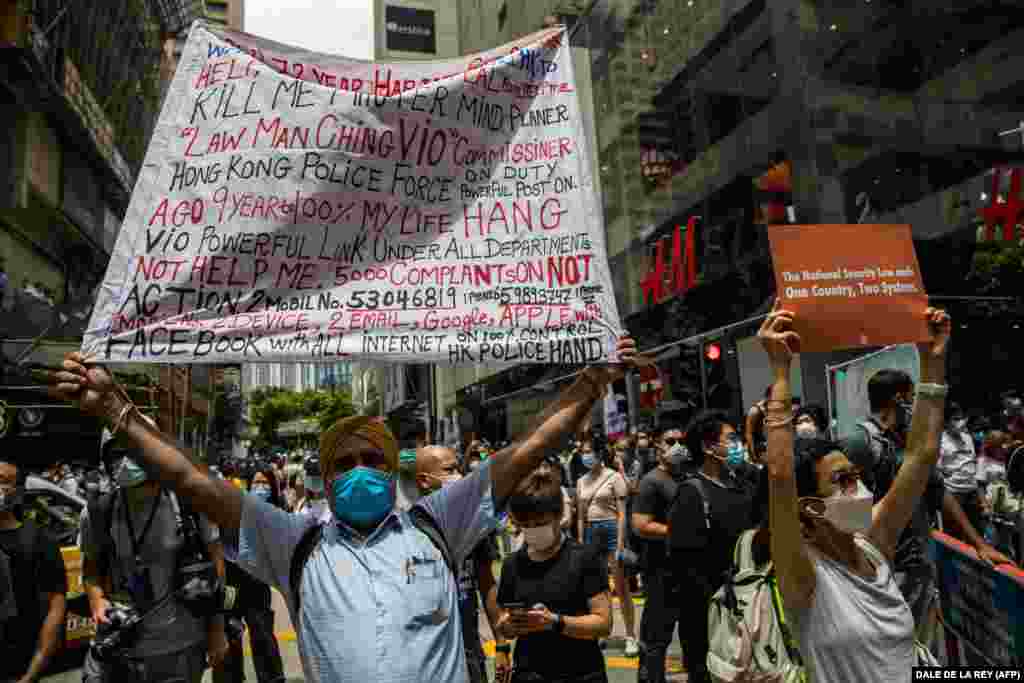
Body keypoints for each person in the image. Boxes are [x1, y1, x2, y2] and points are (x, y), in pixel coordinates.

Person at [49, 338, 638, 683]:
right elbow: (190, 479)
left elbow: (530, 447)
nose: (360, 470)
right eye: (345, 463)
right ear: (325, 480)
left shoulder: (438, 522)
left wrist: (593, 382)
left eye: (372, 459)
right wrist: (116, 411)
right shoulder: (295, 542)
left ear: (392, 469)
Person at [758, 303, 959, 681]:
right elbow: (780, 475)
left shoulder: (874, 547)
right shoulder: (804, 577)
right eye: (842, 480)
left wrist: (932, 364)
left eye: (856, 474)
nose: (859, 487)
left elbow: (920, 455)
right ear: (812, 508)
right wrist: (781, 372)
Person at [843, 365, 1011, 635]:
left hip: (917, 564)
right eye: (912, 398)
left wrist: (979, 544)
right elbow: (846, 513)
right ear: (899, 399)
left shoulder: (910, 442)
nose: (914, 406)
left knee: (921, 640)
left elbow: (938, 490)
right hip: (880, 569)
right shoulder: (859, 443)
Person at [80, 439, 227, 683]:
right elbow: (90, 571)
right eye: (119, 454)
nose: (127, 461)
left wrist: (217, 630)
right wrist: (97, 601)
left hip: (181, 648)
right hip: (121, 649)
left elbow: (217, 566)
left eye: (137, 452)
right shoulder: (97, 512)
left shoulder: (190, 504)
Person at [494, 468, 612, 683]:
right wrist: (508, 626)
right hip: (529, 673)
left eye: (540, 523)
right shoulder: (512, 565)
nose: (532, 530)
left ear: (558, 516)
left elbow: (603, 624)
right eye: (525, 525)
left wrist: (555, 622)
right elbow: (504, 620)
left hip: (581, 674)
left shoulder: (584, 558)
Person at [666, 410, 756, 683]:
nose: (737, 445)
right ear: (708, 447)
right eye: (731, 439)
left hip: (747, 608)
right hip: (710, 619)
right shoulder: (692, 493)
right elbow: (686, 569)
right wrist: (718, 610)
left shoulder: (741, 485)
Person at [411, 446, 502, 683]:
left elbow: (487, 584)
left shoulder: (472, 524)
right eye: (449, 470)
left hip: (469, 652)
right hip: (430, 660)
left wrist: (501, 643)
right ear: (424, 480)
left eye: (458, 468)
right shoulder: (409, 530)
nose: (459, 476)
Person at [215, 466, 286, 683]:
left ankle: (272, 678)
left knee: (262, 632)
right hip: (231, 580)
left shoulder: (276, 511)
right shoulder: (235, 503)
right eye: (257, 482)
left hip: (257, 580)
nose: (261, 487)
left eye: (265, 483)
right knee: (230, 633)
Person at [0, 457, 67, 683]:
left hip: (17, 668)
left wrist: (31, 674)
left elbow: (55, 609)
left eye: (3, 481)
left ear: (18, 492)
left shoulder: (40, 540)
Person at [631, 432, 687, 683]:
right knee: (656, 634)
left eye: (681, 441)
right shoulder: (651, 481)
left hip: (685, 567)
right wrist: (678, 531)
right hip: (659, 569)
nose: (677, 446)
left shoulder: (686, 477)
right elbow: (640, 525)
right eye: (671, 442)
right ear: (658, 446)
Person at [575, 435, 638, 657]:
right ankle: (602, 630)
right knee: (598, 587)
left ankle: (630, 636)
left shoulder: (614, 477)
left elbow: (622, 514)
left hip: (612, 530)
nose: (585, 456)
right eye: (583, 452)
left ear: (599, 453)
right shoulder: (581, 481)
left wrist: (620, 544)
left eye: (588, 451)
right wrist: (580, 541)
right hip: (591, 532)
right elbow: (580, 516)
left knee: (621, 587)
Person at [938, 402, 985, 533]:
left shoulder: (967, 438)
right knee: (954, 533)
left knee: (976, 531)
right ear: (946, 422)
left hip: (972, 492)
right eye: (956, 419)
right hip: (954, 494)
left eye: (962, 418)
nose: (961, 422)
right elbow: (938, 469)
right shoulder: (940, 440)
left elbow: (973, 461)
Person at [745, 387, 773, 462]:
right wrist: (753, 454)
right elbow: (749, 433)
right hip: (760, 449)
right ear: (769, 396)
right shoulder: (755, 411)